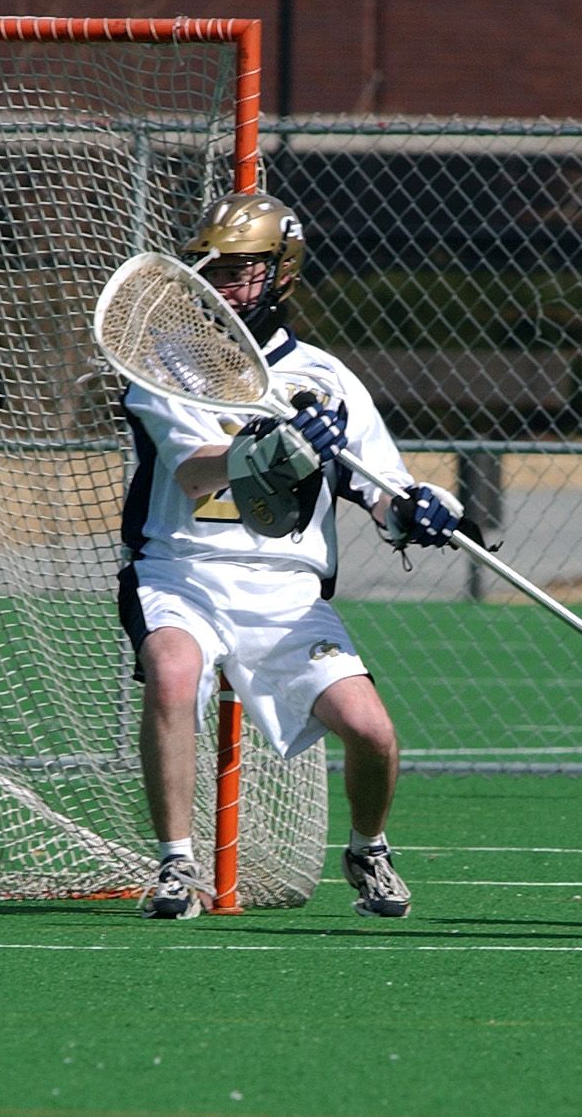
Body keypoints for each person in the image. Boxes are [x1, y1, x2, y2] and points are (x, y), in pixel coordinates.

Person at [118, 191, 470, 919]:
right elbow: (193, 473)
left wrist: (420, 510)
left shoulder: (326, 378)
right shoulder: (166, 365)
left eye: (238, 270)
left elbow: (382, 488)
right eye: (209, 269)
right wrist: (273, 446)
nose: (219, 285)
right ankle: (177, 864)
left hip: (286, 590)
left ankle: (368, 848)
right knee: (174, 674)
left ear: (281, 272)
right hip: (182, 571)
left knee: (372, 731)